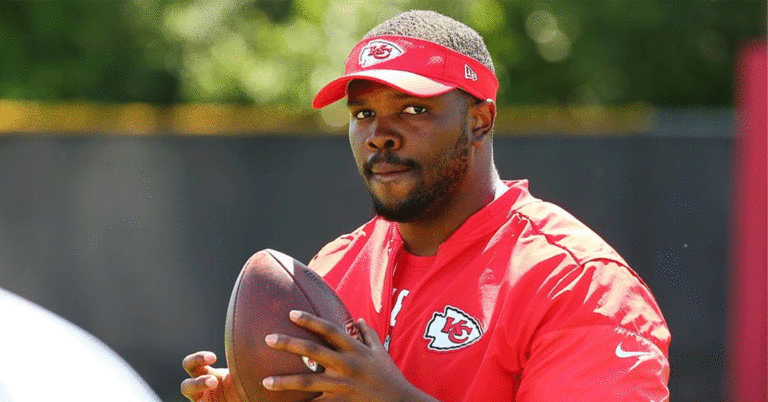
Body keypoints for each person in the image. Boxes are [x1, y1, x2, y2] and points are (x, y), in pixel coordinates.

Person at [181, 10, 671, 402]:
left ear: (479, 120)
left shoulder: (578, 283)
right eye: (363, 113)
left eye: (413, 109)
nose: (379, 135)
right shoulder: (335, 269)